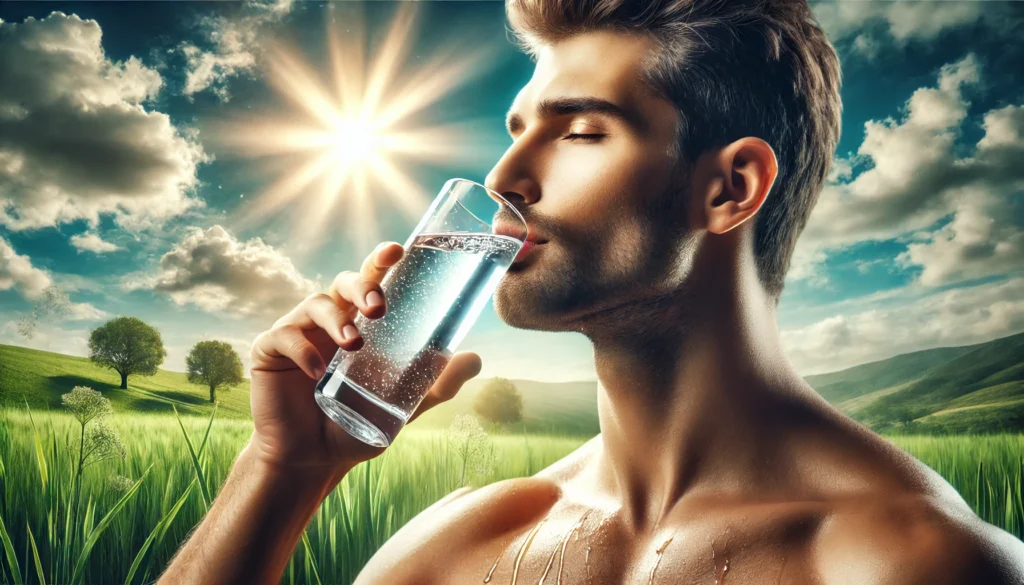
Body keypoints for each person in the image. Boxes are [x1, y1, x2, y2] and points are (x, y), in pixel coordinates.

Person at [157, 0, 1024, 583]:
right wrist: (280, 473)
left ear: (729, 188)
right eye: (516, 131)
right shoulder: (471, 539)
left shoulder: (909, 560)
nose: (504, 178)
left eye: (578, 132)